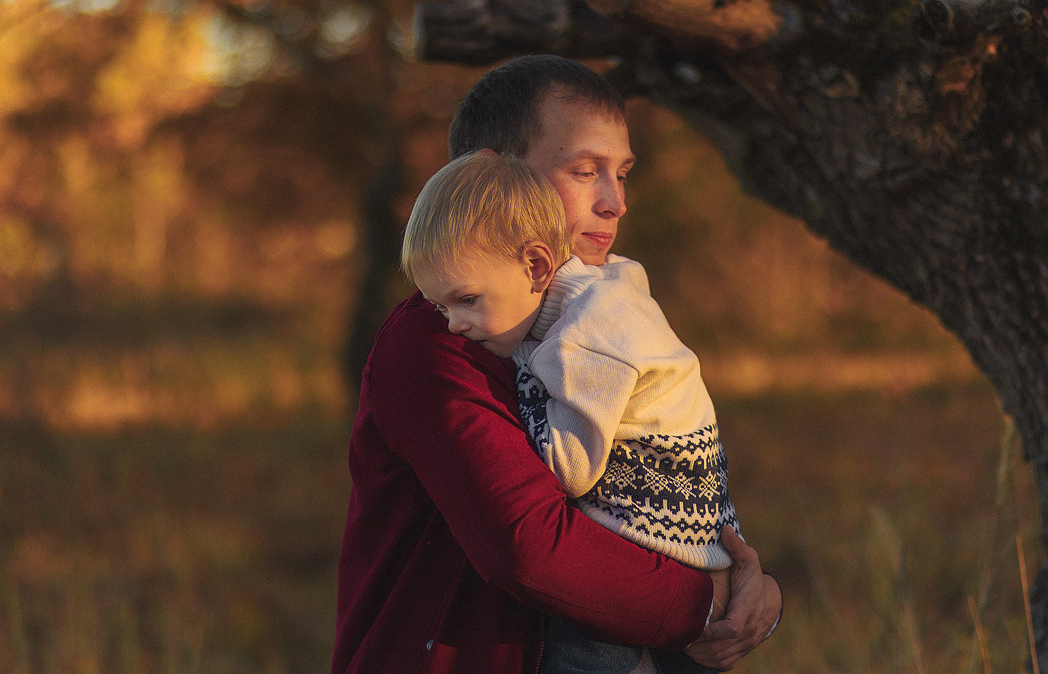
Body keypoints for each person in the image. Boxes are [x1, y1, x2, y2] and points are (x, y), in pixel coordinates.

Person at [333, 54, 781, 673]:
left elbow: (656, 467)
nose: (615, 202)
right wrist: (705, 606)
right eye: (584, 170)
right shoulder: (440, 338)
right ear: (492, 174)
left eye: (620, 173)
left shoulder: (597, 315)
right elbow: (531, 545)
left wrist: (747, 588)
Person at [402, 149, 742, 674]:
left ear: (536, 266)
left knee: (583, 656)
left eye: (466, 300)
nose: (452, 325)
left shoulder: (588, 334)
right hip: (676, 542)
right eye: (441, 307)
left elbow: (573, 468)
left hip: (653, 541)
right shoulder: (570, 307)